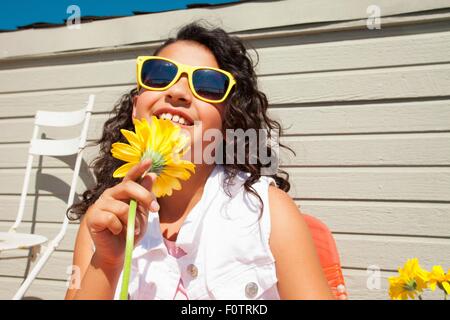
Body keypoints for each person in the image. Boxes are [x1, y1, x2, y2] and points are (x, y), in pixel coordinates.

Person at [64, 21, 334, 300]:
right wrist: (107, 263)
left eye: (208, 84)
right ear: (136, 108)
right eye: (159, 75)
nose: (178, 92)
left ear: (228, 123)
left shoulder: (270, 212)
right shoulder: (102, 221)